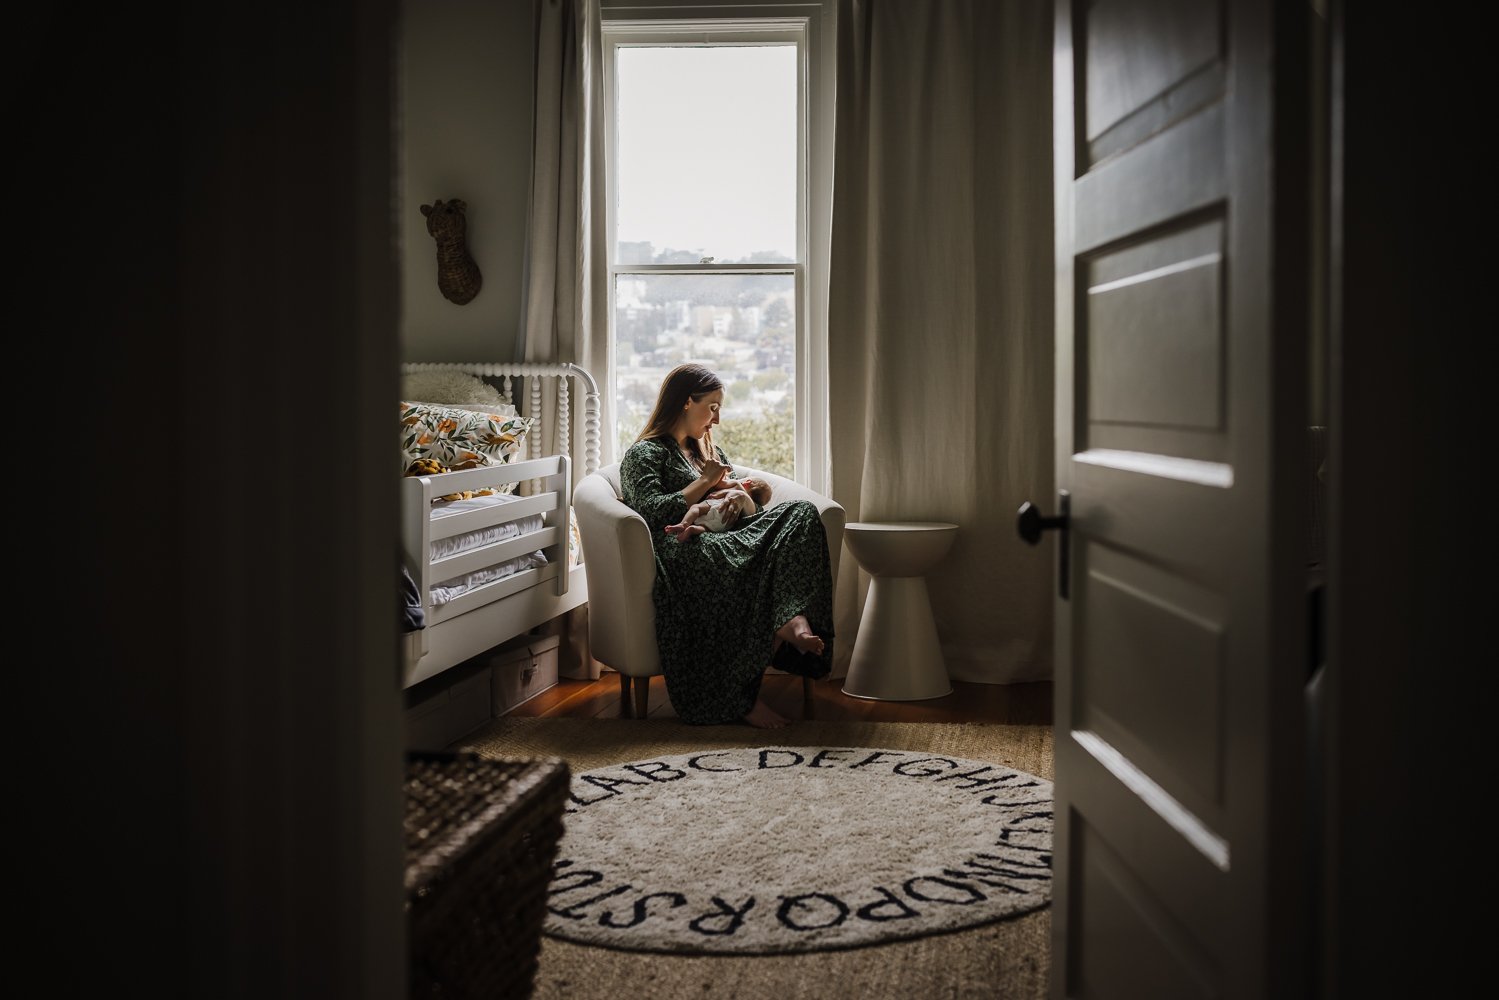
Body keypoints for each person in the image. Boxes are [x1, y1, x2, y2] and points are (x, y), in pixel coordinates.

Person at [619, 363, 834, 729]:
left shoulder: (708, 451)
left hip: (731, 535)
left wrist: (744, 496)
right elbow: (651, 511)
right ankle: (738, 701)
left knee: (802, 513)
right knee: (713, 554)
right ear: (688, 402)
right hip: (683, 546)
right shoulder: (645, 453)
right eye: (713, 406)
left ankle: (791, 617)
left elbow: (740, 497)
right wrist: (703, 483)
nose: (716, 419)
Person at [663, 475, 772, 541]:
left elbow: (719, 484)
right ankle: (693, 529)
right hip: (727, 521)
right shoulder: (747, 507)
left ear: (747, 482)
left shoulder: (736, 484)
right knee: (707, 528)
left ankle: (684, 524)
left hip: (718, 504)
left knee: (696, 508)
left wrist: (722, 476)